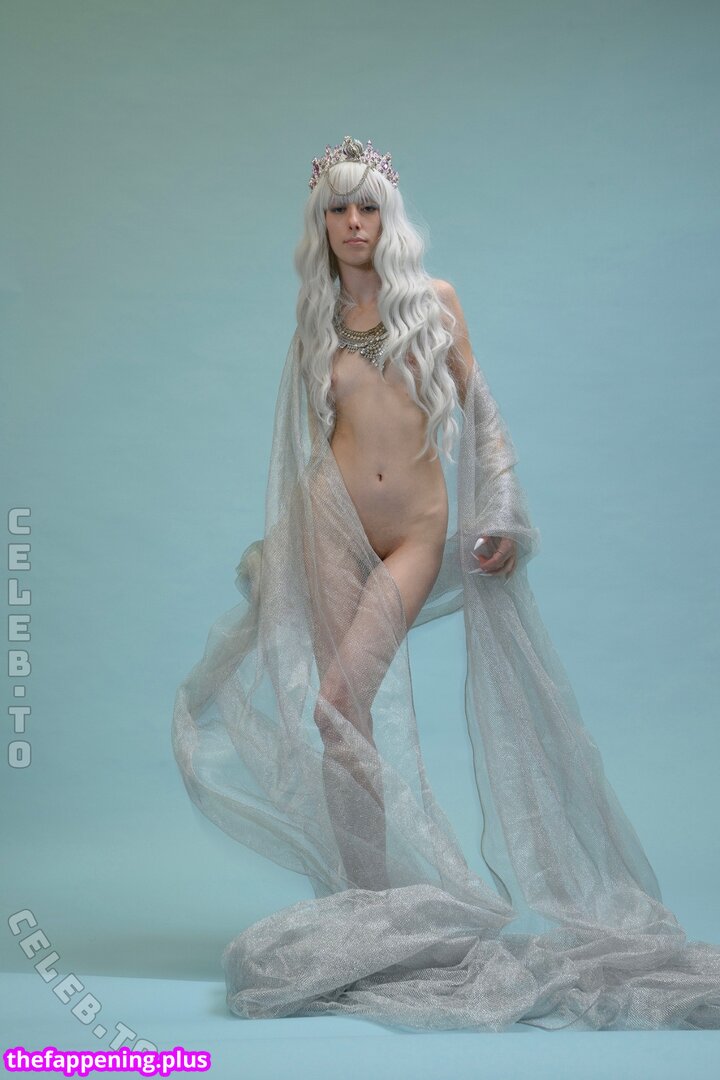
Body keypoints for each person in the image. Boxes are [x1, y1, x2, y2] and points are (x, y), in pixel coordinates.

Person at [172, 136, 720, 1031]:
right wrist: (282, 545)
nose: (354, 223)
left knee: (340, 697)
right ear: (320, 224)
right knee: (339, 716)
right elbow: (303, 450)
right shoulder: (315, 321)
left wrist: (499, 512)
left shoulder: (435, 303)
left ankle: (385, 909)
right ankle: (366, 912)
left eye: (368, 206)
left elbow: (484, 414)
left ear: (388, 215)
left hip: (415, 535)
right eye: (338, 209)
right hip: (331, 523)